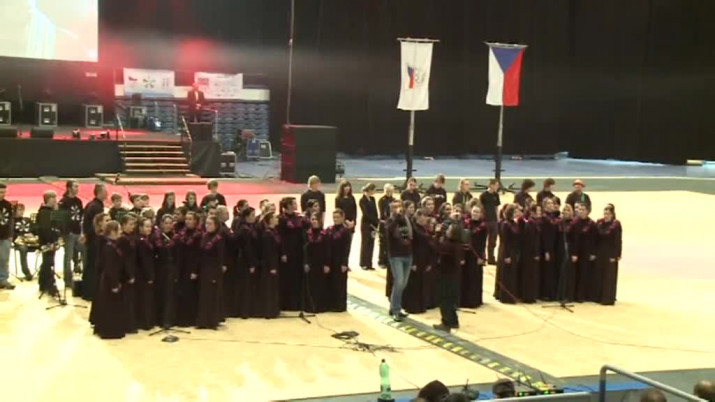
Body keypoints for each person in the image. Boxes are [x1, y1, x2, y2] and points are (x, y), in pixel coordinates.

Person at [92, 221, 128, 339]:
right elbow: (110, 267)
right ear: (112, 232)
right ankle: (109, 331)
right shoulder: (108, 247)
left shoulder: (112, 244)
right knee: (110, 307)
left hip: (112, 278)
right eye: (119, 230)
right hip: (109, 280)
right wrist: (114, 284)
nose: (121, 232)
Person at [433, 219, 466, 332]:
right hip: (454, 276)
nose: (446, 230)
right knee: (451, 301)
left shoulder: (448, 246)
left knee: (444, 300)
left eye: (449, 230)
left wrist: (437, 234)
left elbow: (436, 248)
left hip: (446, 276)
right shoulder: (458, 244)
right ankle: (454, 321)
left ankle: (446, 323)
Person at [195, 216, 226, 329]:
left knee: (213, 295)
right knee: (204, 295)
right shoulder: (204, 236)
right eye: (206, 224)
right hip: (204, 269)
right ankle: (203, 321)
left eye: (210, 224)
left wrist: (217, 273)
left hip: (213, 270)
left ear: (216, 225)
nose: (207, 226)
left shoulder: (219, 239)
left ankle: (212, 321)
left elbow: (220, 257)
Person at [402, 209, 434, 314]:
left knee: (421, 283)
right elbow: (411, 246)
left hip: (424, 258)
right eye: (424, 216)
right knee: (414, 284)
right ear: (418, 217)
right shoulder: (414, 229)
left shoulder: (424, 229)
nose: (426, 219)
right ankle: (412, 306)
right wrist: (413, 262)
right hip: (416, 258)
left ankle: (421, 305)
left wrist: (429, 262)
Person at [386, 200, 413, 321]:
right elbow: (391, 232)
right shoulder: (390, 221)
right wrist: (396, 217)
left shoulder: (406, 220)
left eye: (399, 207)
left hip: (408, 254)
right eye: (395, 207)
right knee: (399, 282)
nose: (398, 209)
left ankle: (394, 307)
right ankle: (396, 309)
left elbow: (411, 235)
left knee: (403, 283)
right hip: (396, 256)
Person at [278, 197, 306, 311]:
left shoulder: (298, 217)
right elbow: (280, 237)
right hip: (287, 252)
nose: (296, 205)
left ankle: (297, 303)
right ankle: (286, 303)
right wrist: (283, 253)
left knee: (297, 277)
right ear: (289, 205)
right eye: (294, 203)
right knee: (288, 278)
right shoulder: (281, 219)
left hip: (298, 251)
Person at [176, 211, 202, 326]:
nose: (187, 221)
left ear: (195, 221)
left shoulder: (198, 235)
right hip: (182, 266)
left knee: (190, 293)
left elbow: (198, 254)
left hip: (192, 267)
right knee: (182, 292)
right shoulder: (181, 233)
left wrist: (195, 270)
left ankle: (190, 319)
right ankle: (181, 318)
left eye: (190, 219)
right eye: (186, 219)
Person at [153, 214, 179, 329]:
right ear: (161, 224)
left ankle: (168, 320)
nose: (168, 225)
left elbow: (178, 256)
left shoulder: (176, 238)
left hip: (171, 269)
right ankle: (159, 319)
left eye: (170, 223)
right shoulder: (156, 237)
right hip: (160, 269)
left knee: (169, 295)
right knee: (160, 294)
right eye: (166, 223)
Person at [570, 203, 598, 302]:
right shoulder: (574, 223)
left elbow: (595, 240)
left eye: (583, 209)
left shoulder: (592, 224)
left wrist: (593, 253)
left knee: (584, 274)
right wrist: (573, 253)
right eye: (580, 209)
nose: (580, 211)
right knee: (575, 274)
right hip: (576, 253)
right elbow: (572, 239)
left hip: (586, 253)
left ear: (587, 211)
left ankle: (581, 296)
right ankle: (573, 295)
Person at [59, 179, 84, 284]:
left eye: (78, 186)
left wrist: (82, 231)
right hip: (68, 233)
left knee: (84, 251)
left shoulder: (78, 201)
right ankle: (68, 279)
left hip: (78, 231)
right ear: (69, 188)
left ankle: (84, 273)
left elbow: (81, 216)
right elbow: (61, 219)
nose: (77, 189)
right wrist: (66, 231)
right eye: (75, 186)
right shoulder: (63, 202)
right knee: (68, 256)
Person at [325, 209, 351, 312]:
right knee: (331, 282)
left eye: (338, 217)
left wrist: (345, 263)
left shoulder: (345, 232)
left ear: (343, 218)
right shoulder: (329, 229)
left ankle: (340, 305)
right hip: (330, 260)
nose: (335, 219)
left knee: (340, 284)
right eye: (334, 217)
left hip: (340, 261)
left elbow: (346, 248)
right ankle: (331, 304)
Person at [462, 205, 487, 308]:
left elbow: (483, 243)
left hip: (476, 254)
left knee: (474, 277)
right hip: (466, 254)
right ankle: (464, 300)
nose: (475, 214)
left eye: (477, 212)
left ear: (481, 214)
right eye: (474, 211)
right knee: (466, 276)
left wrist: (481, 257)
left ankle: (474, 300)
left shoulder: (483, 226)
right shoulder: (466, 223)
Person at [597, 204, 622, 305]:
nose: (606, 216)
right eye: (605, 214)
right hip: (601, 252)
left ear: (612, 214)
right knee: (601, 275)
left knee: (609, 276)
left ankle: (608, 298)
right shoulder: (600, 222)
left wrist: (616, 255)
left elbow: (618, 240)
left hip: (610, 253)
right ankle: (599, 296)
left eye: (608, 214)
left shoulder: (616, 224)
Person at [117, 214, 138, 333]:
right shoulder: (123, 239)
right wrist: (129, 274)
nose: (132, 227)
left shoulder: (130, 237)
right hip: (125, 274)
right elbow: (125, 259)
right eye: (130, 224)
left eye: (133, 224)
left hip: (131, 270)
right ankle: (127, 325)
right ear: (123, 225)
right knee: (126, 300)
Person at [304, 212, 329, 313]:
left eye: (316, 219)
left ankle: (320, 306)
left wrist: (326, 264)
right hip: (310, 263)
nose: (314, 221)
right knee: (311, 285)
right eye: (313, 219)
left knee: (320, 284)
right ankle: (310, 306)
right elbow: (305, 250)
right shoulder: (307, 233)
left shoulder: (324, 233)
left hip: (321, 262)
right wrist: (305, 263)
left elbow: (327, 250)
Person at [37, 191, 60, 296]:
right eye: (53, 198)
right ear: (48, 199)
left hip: (50, 240)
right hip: (47, 241)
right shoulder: (45, 212)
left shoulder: (48, 211)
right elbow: (45, 228)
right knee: (49, 263)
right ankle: (50, 285)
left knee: (47, 262)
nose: (56, 200)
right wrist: (50, 241)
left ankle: (43, 284)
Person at [497, 204, 522, 303]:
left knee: (512, 274)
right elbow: (505, 241)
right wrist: (507, 256)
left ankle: (511, 295)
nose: (517, 213)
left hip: (513, 251)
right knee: (507, 274)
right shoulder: (505, 224)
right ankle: (505, 297)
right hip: (507, 251)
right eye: (515, 212)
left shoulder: (514, 223)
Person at [135, 217, 156, 330]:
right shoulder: (141, 241)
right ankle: (145, 322)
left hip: (145, 273)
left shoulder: (147, 239)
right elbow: (144, 260)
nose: (149, 229)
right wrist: (149, 276)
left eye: (150, 226)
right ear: (140, 228)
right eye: (147, 226)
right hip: (143, 275)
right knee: (144, 299)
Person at [259, 212, 281, 319]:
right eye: (275, 218)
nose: (277, 219)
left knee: (273, 288)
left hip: (275, 262)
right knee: (269, 288)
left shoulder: (274, 232)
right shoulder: (267, 234)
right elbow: (268, 252)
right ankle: (268, 311)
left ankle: (274, 309)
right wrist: (272, 267)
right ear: (270, 220)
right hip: (269, 265)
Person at [519, 204, 542, 303]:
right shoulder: (531, 223)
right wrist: (535, 253)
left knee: (532, 275)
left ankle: (531, 296)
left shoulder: (534, 222)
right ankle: (528, 297)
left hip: (531, 253)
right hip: (530, 254)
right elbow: (532, 241)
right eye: (538, 211)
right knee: (530, 275)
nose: (540, 213)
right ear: (533, 212)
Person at [539, 198, 559, 301]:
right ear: (545, 206)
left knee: (551, 271)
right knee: (547, 271)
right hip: (547, 247)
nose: (552, 205)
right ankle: (546, 293)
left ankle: (551, 292)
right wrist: (547, 251)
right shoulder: (544, 217)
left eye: (552, 203)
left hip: (553, 246)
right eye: (549, 203)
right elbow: (545, 236)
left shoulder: (552, 216)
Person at [479, 179, 501, 264]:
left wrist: (497, 219)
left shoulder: (496, 195)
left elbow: (496, 207)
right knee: (483, 240)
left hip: (493, 220)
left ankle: (491, 259)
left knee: (493, 241)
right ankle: (483, 258)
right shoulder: (483, 195)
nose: (497, 187)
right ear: (491, 185)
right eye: (496, 185)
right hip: (485, 220)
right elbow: (481, 207)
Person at [359, 183, 378, 270]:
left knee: (371, 243)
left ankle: (369, 263)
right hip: (366, 224)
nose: (374, 192)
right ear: (370, 190)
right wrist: (375, 220)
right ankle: (363, 263)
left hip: (373, 224)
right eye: (374, 190)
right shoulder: (362, 200)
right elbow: (366, 213)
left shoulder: (372, 199)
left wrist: (376, 222)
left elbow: (375, 211)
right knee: (365, 243)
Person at [12, 203, 33, 281]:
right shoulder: (12, 221)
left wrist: (32, 234)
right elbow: (12, 234)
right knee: (23, 249)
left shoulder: (27, 220)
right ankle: (27, 272)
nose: (22, 212)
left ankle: (44, 270)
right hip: (19, 241)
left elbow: (34, 229)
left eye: (23, 210)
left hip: (31, 241)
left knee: (45, 246)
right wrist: (22, 236)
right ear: (15, 211)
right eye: (20, 210)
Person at [0, 183, 15, 290]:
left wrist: (10, 234)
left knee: (4, 259)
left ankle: (3, 280)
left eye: (4, 192)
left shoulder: (8, 205)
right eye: (1, 192)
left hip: (5, 235)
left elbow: (11, 220)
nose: (3, 194)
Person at [377, 184, 395, 268]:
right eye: (387, 191)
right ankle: (381, 261)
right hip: (384, 223)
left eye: (390, 191)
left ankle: (388, 261)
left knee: (390, 243)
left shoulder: (394, 200)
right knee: (382, 243)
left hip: (392, 224)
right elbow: (383, 212)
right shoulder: (382, 200)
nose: (389, 192)